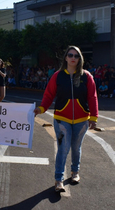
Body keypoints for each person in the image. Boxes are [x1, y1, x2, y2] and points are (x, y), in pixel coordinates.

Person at [34, 46, 98, 193]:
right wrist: (41, 108)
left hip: (82, 120)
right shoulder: (57, 76)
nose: (73, 58)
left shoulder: (87, 76)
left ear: (80, 58)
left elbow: (92, 97)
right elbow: (49, 95)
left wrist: (94, 117)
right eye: (70, 55)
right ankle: (58, 179)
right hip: (62, 119)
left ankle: (75, 172)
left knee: (76, 148)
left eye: (76, 55)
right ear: (66, 58)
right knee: (63, 149)